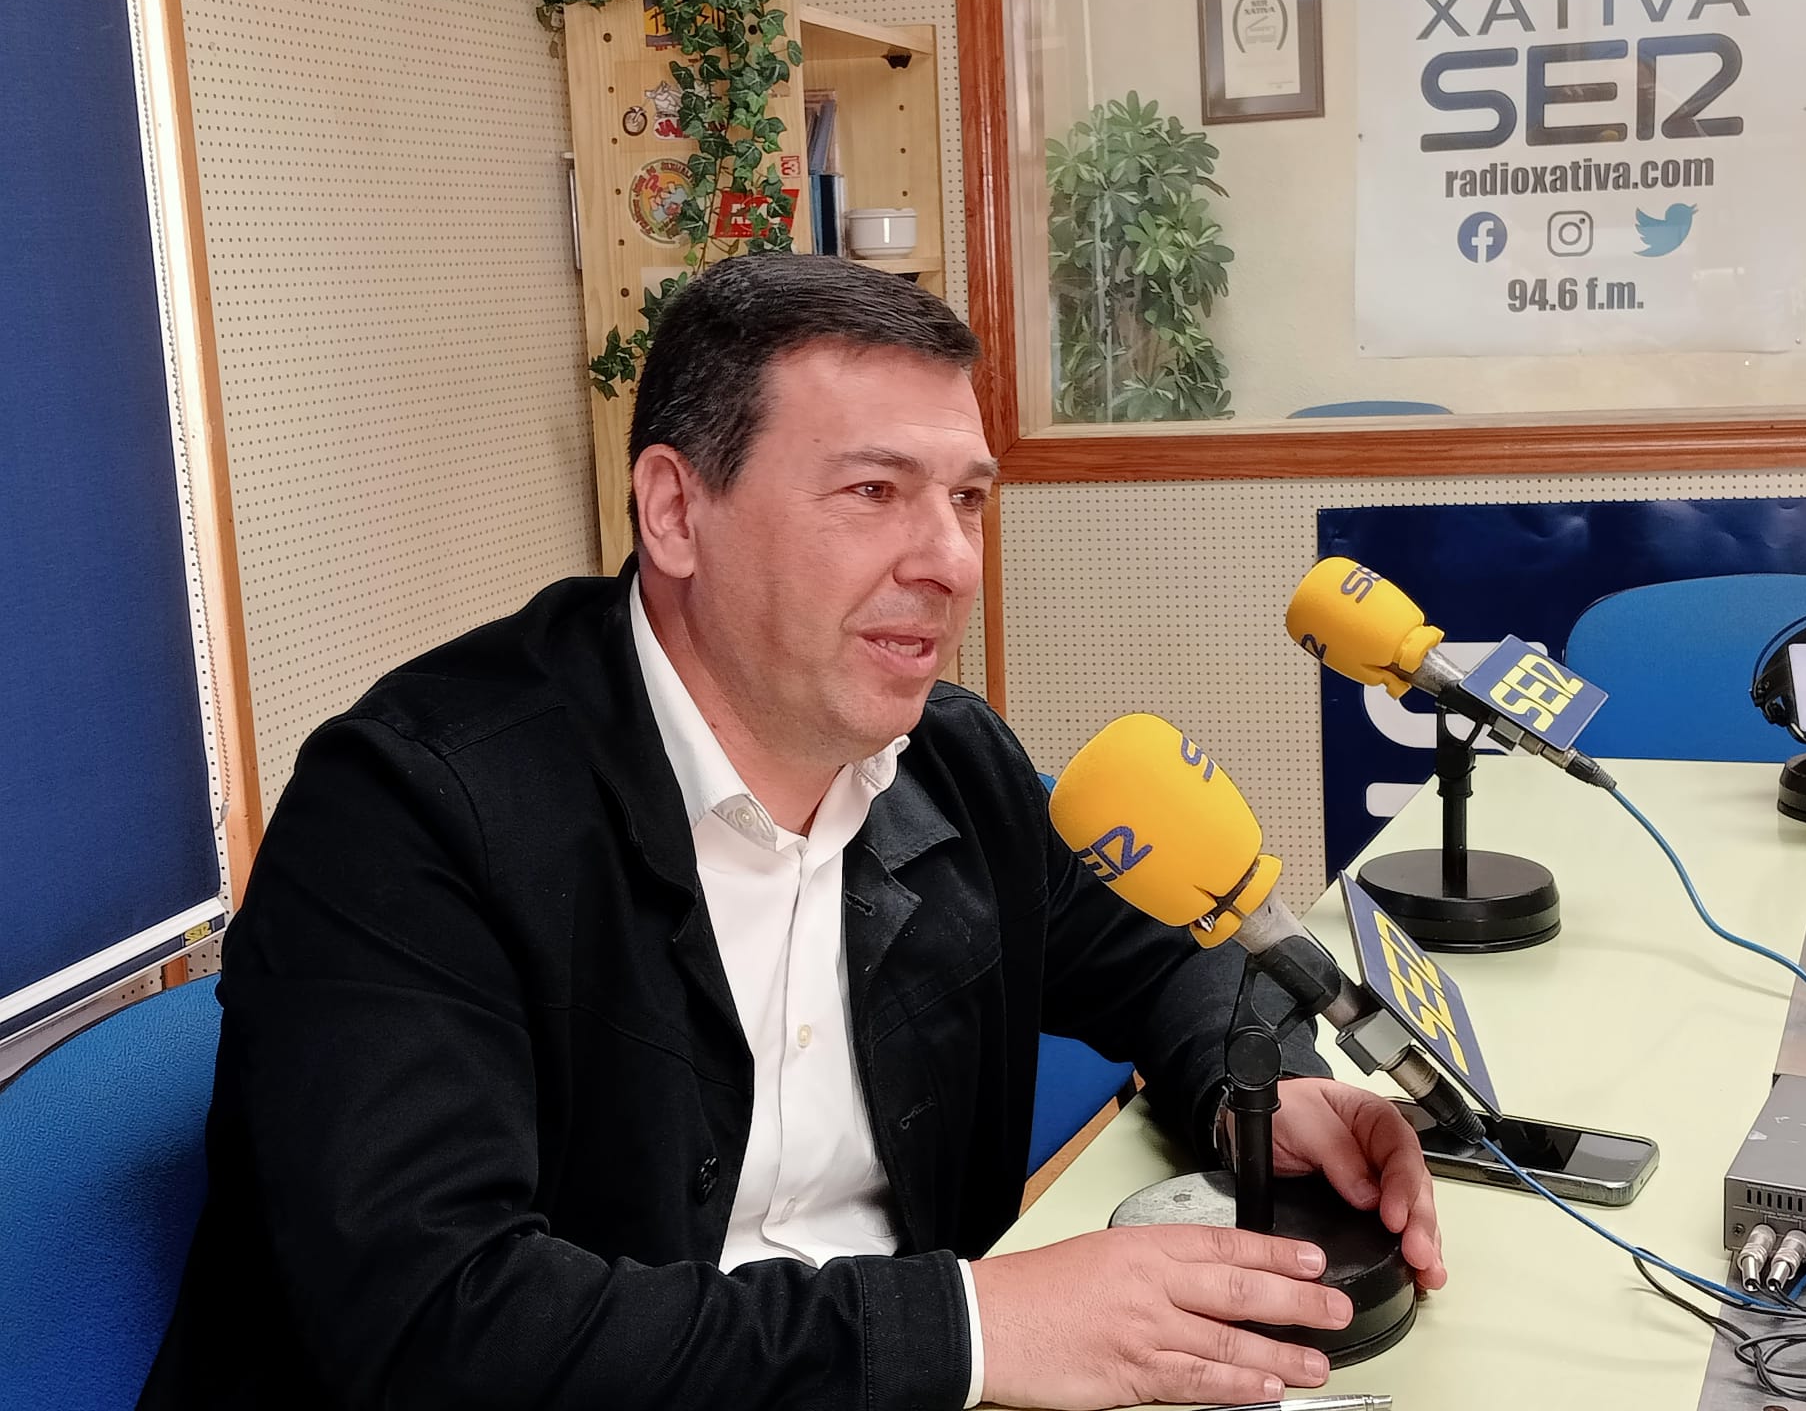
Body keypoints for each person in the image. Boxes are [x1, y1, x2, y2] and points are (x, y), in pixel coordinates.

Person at [142, 255, 1444, 1410]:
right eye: (874, 491)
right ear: (674, 510)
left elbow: (1166, 954)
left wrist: (1254, 1091)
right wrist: (977, 1328)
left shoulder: (953, 766)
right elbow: (438, 1327)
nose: (950, 561)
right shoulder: (409, 813)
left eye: (967, 500)